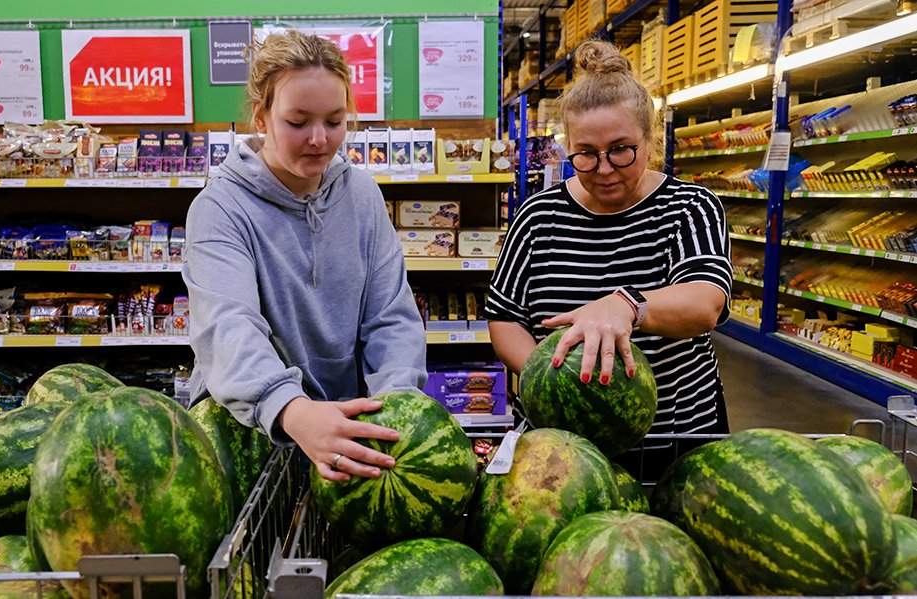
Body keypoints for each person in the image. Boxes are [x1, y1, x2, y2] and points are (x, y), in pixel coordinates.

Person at [183, 30, 427, 483]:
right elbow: (229, 327)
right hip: (250, 434)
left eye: (334, 121)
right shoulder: (219, 209)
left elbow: (391, 316)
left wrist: (395, 408)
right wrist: (290, 409)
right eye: (298, 122)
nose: (319, 139)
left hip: (347, 432)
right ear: (262, 116)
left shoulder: (362, 195)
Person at [486, 40, 732, 478]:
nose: (603, 168)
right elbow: (504, 317)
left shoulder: (689, 207)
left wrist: (627, 305)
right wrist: (553, 379)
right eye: (585, 154)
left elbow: (705, 303)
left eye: (621, 149)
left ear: (650, 140)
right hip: (561, 448)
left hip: (674, 444)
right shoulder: (538, 216)